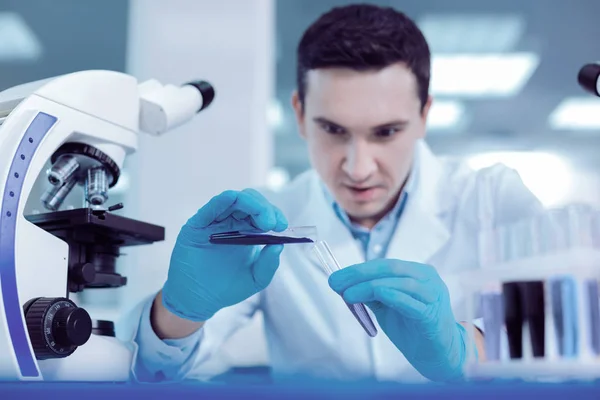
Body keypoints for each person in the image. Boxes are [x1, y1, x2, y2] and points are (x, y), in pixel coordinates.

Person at [130, 4, 543, 383]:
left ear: (423, 115)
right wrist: (179, 311)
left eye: (386, 132)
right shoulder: (267, 222)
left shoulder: (493, 199)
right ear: (300, 115)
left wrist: (466, 348)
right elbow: (158, 372)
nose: (358, 168)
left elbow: (572, 335)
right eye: (333, 129)